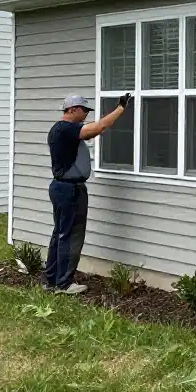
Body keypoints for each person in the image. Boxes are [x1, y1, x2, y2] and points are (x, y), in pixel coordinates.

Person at [43, 93, 131, 294]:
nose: (85, 114)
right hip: (69, 190)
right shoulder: (66, 129)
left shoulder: (59, 129)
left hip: (61, 188)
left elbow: (92, 129)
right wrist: (120, 108)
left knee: (60, 234)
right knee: (70, 235)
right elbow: (98, 128)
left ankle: (51, 280)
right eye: (83, 110)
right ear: (72, 109)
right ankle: (64, 284)